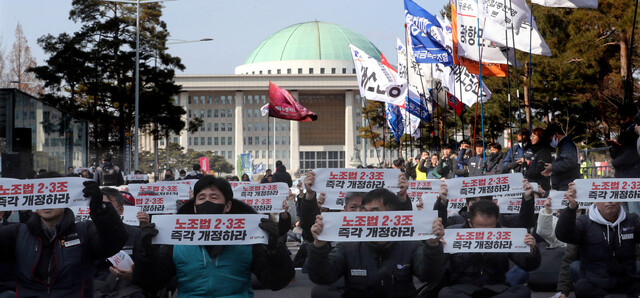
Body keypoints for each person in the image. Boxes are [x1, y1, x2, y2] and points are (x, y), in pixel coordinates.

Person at [132, 176, 295, 296]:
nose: (206, 201)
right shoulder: (175, 240)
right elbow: (152, 283)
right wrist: (148, 253)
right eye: (201, 198)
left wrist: (274, 250)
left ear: (227, 205)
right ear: (195, 207)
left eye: (214, 197)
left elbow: (276, 281)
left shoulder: (248, 239)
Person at [307, 188, 446, 297]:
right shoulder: (348, 246)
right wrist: (319, 245)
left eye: (374, 211)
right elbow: (322, 276)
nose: (366, 217)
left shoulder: (410, 245)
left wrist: (432, 246)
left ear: (393, 215)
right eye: (364, 211)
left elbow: (429, 275)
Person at [0, 180, 128, 296]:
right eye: (41, 197)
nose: (47, 201)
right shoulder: (17, 233)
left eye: (53, 196)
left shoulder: (84, 231)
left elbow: (114, 242)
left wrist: (100, 209)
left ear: (67, 199)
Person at [438, 200, 541, 297]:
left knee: (523, 291)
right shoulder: (453, 234)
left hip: (497, 288)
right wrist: (438, 249)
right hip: (462, 289)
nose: (485, 232)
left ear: (496, 221)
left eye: (490, 227)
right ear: (470, 222)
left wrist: (531, 251)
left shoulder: (507, 235)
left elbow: (528, 265)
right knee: (445, 293)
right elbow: (435, 268)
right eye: (481, 227)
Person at [554, 183, 640, 297]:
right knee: (582, 287)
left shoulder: (633, 220)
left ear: (621, 200)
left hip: (628, 283)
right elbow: (563, 235)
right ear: (594, 201)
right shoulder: (584, 222)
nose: (609, 201)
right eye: (604, 196)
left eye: (613, 196)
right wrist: (571, 208)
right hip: (596, 285)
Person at [94, 188, 145, 297]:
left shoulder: (136, 234)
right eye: (98, 205)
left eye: (106, 205)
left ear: (121, 210)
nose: (102, 209)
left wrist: (133, 275)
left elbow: (147, 271)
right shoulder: (86, 233)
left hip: (127, 291)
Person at [542, 123, 580, 191]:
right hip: (564, 184)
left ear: (556, 135)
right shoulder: (563, 144)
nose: (551, 143)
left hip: (567, 184)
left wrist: (553, 167)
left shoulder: (567, 144)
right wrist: (552, 169)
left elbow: (569, 162)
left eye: (550, 140)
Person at [611, 103, 640, 178]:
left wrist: (616, 162)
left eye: (624, 119)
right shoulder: (625, 132)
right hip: (623, 173)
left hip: (632, 174)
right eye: (620, 119)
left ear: (633, 118)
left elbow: (632, 154)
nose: (622, 122)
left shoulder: (635, 132)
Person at [523, 128, 553, 194]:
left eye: (534, 136)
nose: (531, 138)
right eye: (531, 136)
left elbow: (540, 170)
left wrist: (525, 172)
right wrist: (526, 165)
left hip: (541, 189)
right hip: (533, 187)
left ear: (540, 137)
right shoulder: (535, 151)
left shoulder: (544, 151)